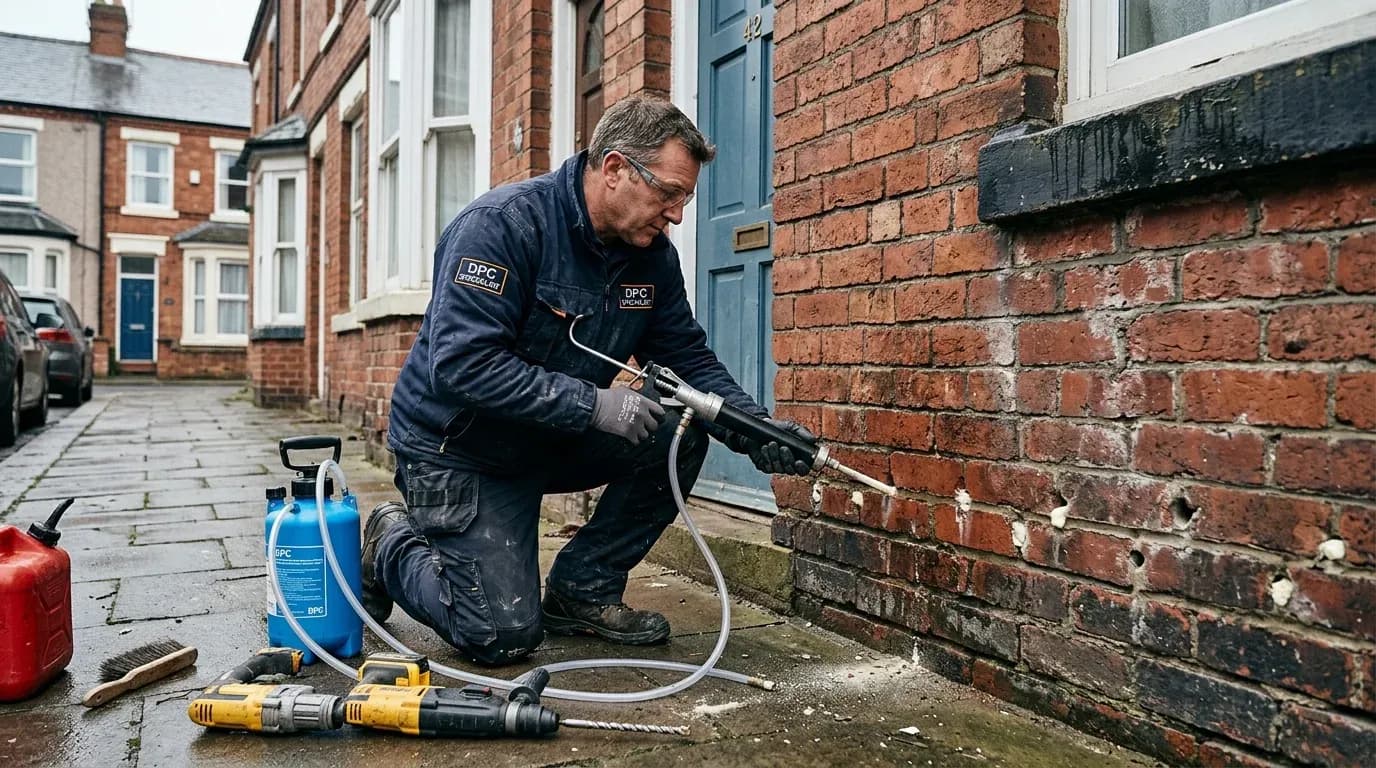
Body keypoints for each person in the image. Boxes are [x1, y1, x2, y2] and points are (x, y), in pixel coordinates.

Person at [363, 95, 814, 667]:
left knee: (678, 428)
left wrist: (753, 428)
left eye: (685, 199)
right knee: (499, 635)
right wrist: (593, 405)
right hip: (460, 450)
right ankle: (389, 540)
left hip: (548, 436)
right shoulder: (503, 227)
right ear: (615, 169)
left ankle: (583, 589)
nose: (677, 215)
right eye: (669, 194)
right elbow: (462, 366)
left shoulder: (651, 257)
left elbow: (686, 357)